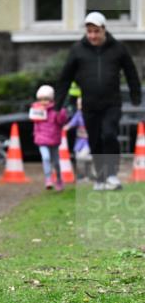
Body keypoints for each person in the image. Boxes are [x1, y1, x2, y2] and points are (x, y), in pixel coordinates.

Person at [56, 11, 141, 190]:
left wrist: (136, 95)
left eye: (96, 31)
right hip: (89, 104)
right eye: (89, 32)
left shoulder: (118, 48)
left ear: (103, 30)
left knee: (109, 134)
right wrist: (58, 104)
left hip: (112, 103)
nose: (93, 35)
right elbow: (65, 77)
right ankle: (100, 178)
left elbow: (131, 72)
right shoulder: (77, 50)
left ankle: (111, 175)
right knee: (95, 139)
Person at [29, 84, 70, 191]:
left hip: (54, 139)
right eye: (41, 99)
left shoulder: (56, 110)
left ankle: (59, 179)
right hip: (41, 139)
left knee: (56, 162)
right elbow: (34, 120)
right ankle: (48, 178)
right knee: (46, 158)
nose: (43, 102)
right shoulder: (36, 109)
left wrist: (60, 112)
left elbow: (62, 121)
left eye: (46, 99)